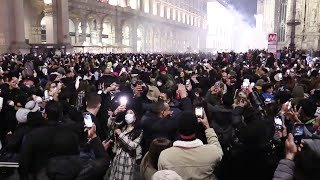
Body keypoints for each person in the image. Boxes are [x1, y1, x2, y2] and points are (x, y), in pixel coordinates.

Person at [158, 111, 223, 179]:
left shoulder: (165, 156)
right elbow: (218, 149)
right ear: (196, 128)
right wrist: (207, 127)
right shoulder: (212, 152)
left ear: (178, 129)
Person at [109, 109, 143, 180]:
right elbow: (110, 125)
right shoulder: (122, 126)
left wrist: (121, 135)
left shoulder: (138, 131)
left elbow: (132, 146)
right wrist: (115, 113)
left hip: (128, 159)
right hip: (117, 157)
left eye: (131, 113)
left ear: (135, 117)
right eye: (127, 113)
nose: (128, 115)